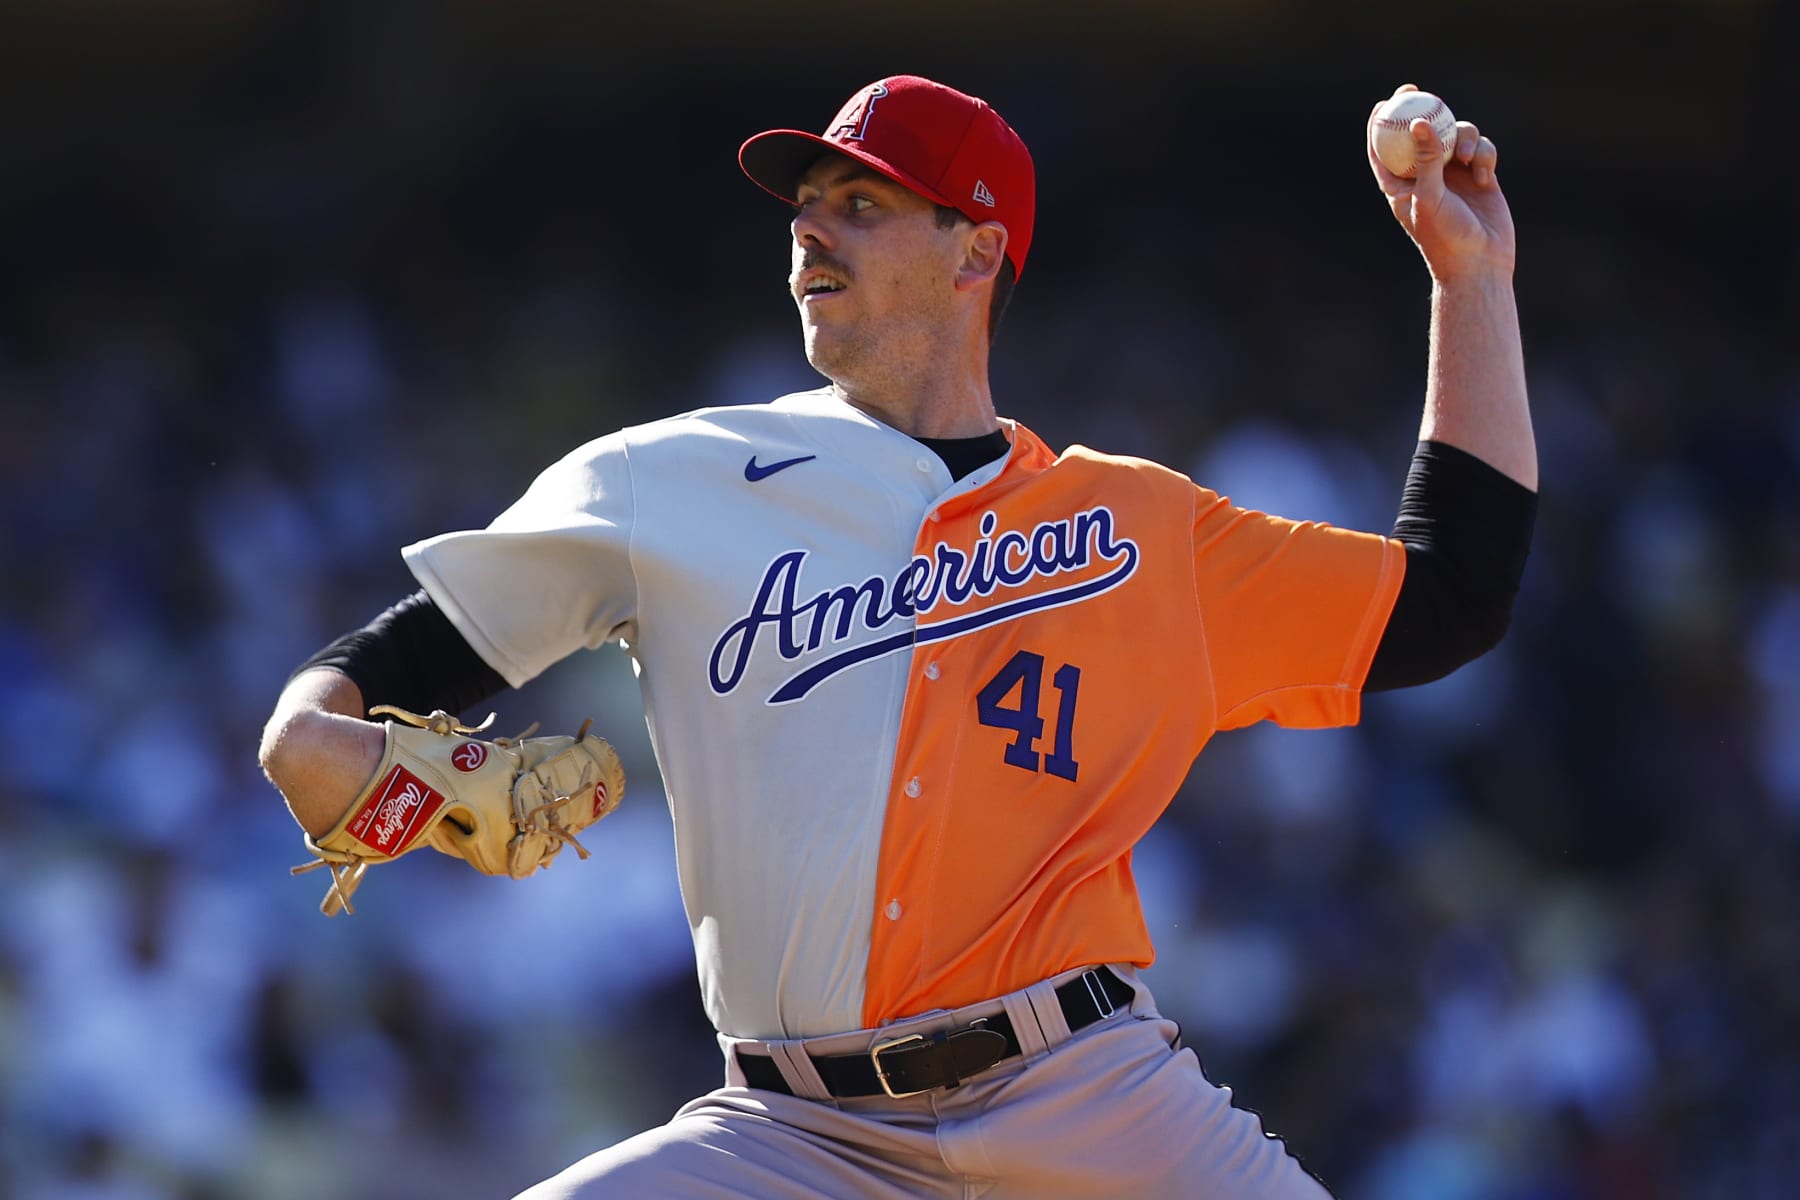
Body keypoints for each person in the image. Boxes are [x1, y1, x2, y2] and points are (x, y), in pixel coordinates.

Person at [258, 75, 1536, 1198]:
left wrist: (1468, 282)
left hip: (1090, 1108)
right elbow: (389, 672)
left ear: (977, 253)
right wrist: (319, 739)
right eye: (806, 201)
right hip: (789, 1139)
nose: (810, 223)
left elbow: (1450, 598)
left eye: (861, 203)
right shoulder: (673, 480)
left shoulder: (1140, 525)